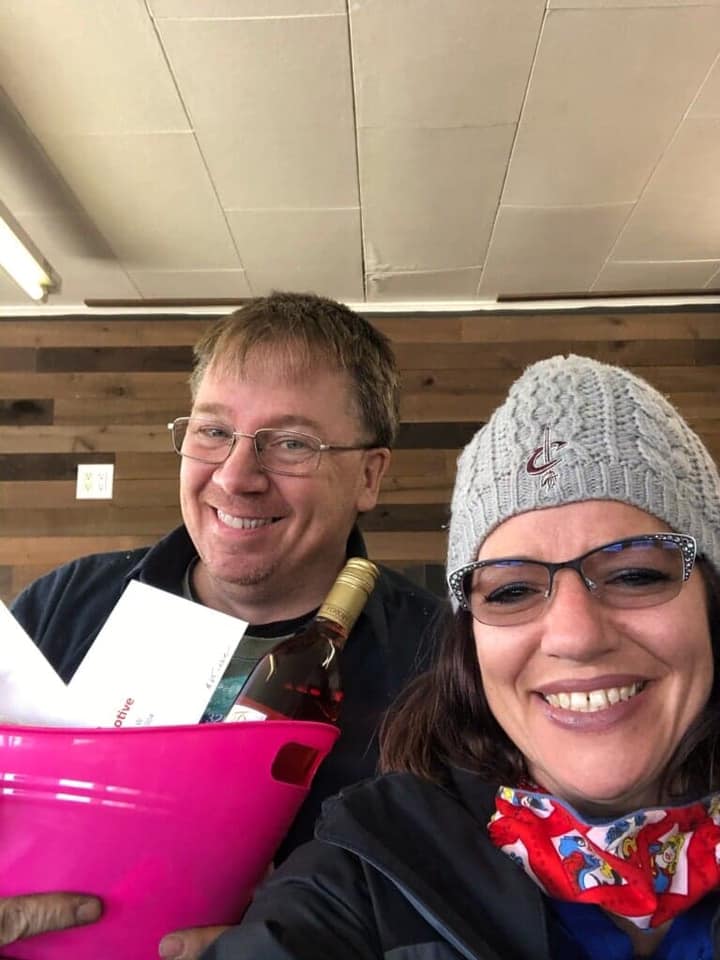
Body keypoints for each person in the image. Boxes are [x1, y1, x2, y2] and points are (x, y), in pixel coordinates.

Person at [199, 353, 720, 959]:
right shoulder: (368, 870)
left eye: (635, 575)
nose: (576, 636)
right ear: (468, 642)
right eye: (512, 591)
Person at [4, 292, 442, 959]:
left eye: (290, 443)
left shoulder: (442, 663)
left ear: (369, 476)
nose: (236, 478)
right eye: (213, 431)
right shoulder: (65, 605)